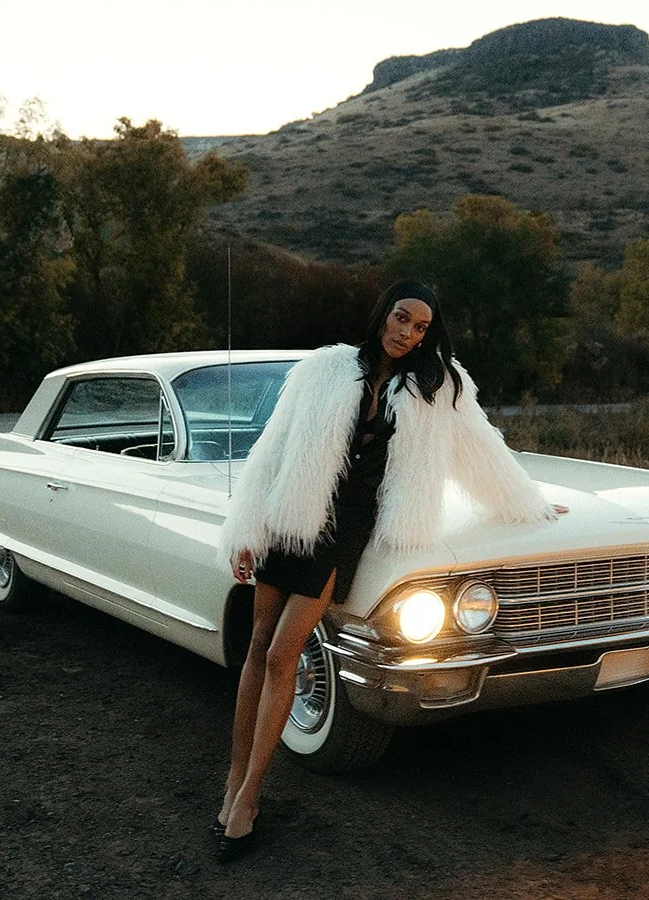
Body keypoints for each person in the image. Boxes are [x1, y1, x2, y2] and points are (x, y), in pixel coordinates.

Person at [209, 279, 566, 861]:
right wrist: (245, 528)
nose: (407, 333)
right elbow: (272, 448)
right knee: (256, 647)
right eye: (402, 318)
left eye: (421, 327)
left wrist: (531, 503)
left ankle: (249, 796)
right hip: (288, 517)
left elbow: (483, 449)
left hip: (342, 534)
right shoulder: (323, 370)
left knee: (281, 655)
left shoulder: (438, 387)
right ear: (383, 314)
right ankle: (232, 781)